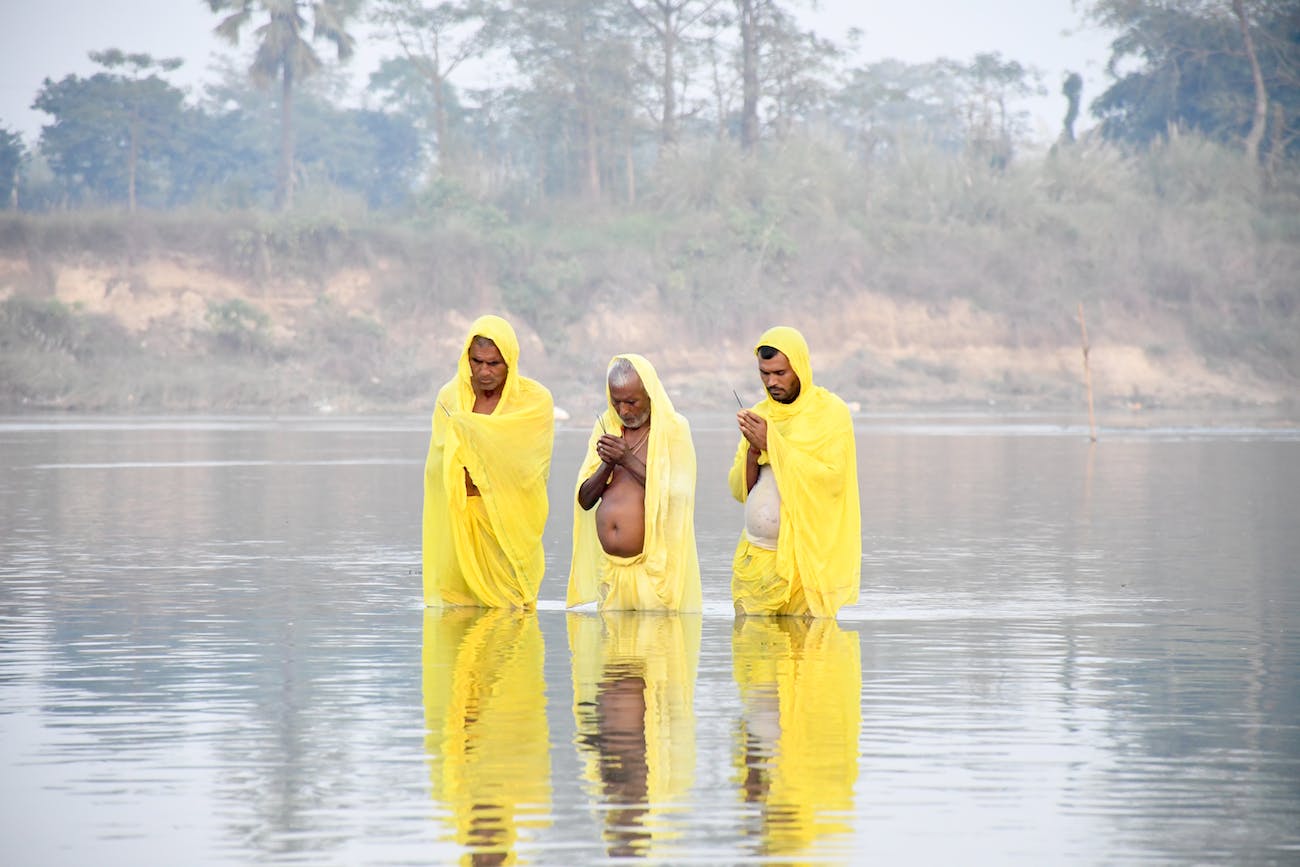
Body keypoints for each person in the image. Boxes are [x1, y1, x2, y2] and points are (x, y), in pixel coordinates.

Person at [422, 314, 554, 608]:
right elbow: (436, 467)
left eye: (494, 363)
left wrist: (477, 436)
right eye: (476, 361)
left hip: (506, 526)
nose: (484, 371)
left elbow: (531, 469)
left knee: (512, 610)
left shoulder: (533, 402)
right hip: (459, 523)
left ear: (510, 361)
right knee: (458, 613)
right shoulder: (450, 397)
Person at [729, 326, 860, 618]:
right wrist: (753, 451)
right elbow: (740, 491)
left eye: (780, 373)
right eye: (764, 373)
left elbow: (832, 481)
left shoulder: (830, 413)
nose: (771, 382)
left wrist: (772, 445)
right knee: (754, 655)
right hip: (758, 562)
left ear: (799, 367)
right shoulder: (759, 415)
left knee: (808, 654)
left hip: (807, 563)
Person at [568, 355, 701, 612]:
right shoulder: (607, 427)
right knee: (612, 652)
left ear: (649, 394)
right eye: (616, 402)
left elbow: (676, 496)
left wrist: (627, 459)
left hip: (654, 575)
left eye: (631, 402)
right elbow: (584, 500)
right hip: (610, 576)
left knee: (654, 649)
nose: (624, 411)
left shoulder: (674, 429)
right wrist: (607, 462)